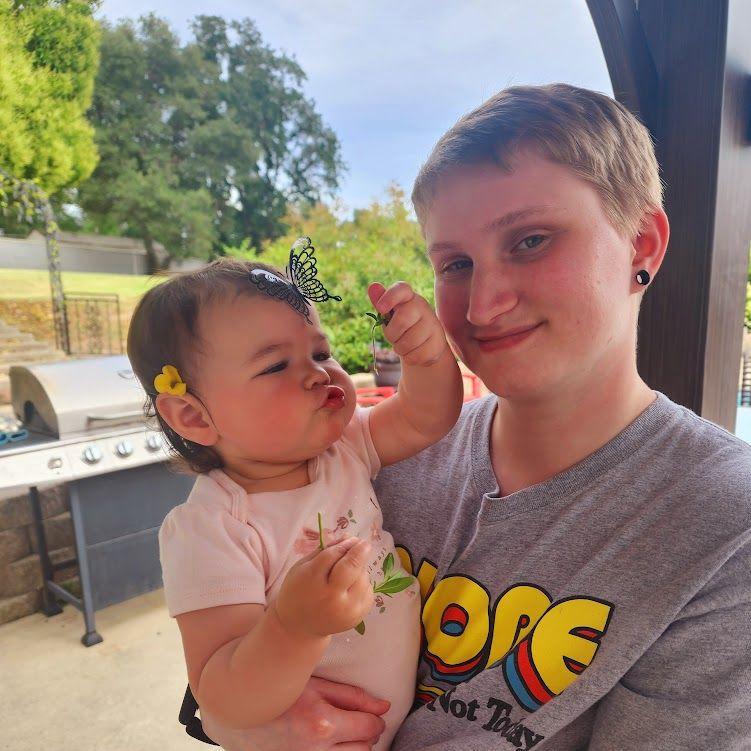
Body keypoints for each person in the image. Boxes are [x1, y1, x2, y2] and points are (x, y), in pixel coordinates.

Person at [198, 83, 751, 750]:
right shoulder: (376, 455)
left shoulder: (723, 523)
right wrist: (231, 712)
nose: (482, 305)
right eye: (455, 263)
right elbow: (230, 624)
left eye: (530, 240)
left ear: (642, 244)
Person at [126, 253, 463, 750]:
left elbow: (423, 417)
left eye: (321, 352)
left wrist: (428, 357)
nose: (318, 373)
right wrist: (293, 628)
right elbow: (222, 696)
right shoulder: (213, 527)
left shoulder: (345, 447)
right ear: (194, 417)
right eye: (276, 365)